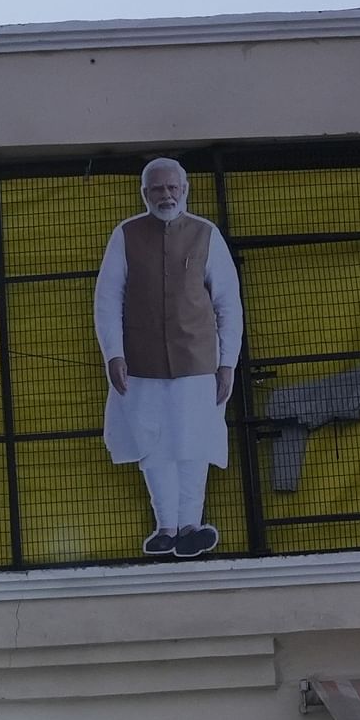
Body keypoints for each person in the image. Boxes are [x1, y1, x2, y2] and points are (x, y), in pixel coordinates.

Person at [93, 156, 244, 559]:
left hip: (198, 360)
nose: (166, 195)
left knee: (192, 443)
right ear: (144, 194)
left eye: (172, 187)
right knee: (153, 445)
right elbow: (107, 301)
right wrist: (114, 354)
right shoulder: (125, 235)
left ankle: (191, 525)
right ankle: (166, 527)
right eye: (157, 189)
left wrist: (228, 361)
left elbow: (228, 302)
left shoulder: (206, 234)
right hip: (141, 363)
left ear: (185, 189)